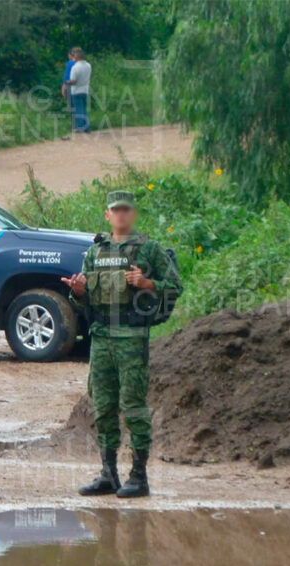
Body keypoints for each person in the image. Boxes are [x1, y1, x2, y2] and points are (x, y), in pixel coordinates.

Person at [62, 191, 183, 498]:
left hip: (131, 337)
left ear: (133, 214)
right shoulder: (96, 251)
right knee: (102, 407)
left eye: (126, 210)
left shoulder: (149, 249)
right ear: (107, 215)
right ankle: (108, 474)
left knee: (133, 406)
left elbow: (175, 286)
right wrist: (78, 290)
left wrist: (146, 284)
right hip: (101, 336)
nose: (121, 215)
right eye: (115, 210)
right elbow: (85, 297)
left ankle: (139, 476)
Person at [65, 47, 92, 133]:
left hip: (76, 91)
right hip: (85, 90)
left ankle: (80, 126)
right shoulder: (88, 65)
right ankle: (86, 126)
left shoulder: (75, 67)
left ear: (77, 57)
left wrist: (67, 82)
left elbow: (73, 80)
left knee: (78, 109)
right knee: (83, 108)